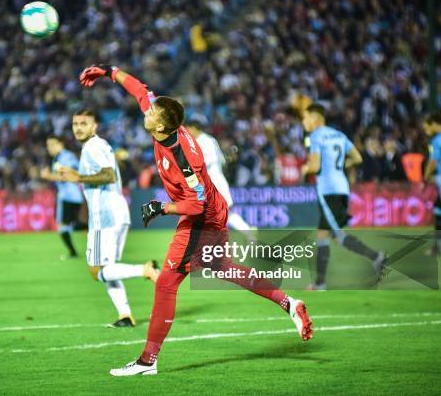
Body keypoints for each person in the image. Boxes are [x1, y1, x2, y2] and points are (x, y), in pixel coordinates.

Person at [79, 64, 313, 376]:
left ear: (162, 127)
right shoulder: (164, 124)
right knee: (225, 268)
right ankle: (289, 303)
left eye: (151, 115)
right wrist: (109, 72)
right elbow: (139, 89)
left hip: (203, 218)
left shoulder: (181, 157)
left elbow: (195, 203)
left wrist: (162, 208)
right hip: (213, 211)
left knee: (166, 284)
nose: (145, 114)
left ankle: (148, 362)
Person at [59, 110, 160, 328]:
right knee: (108, 269)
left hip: (104, 217)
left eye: (84, 123)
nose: (78, 127)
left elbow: (109, 175)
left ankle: (145, 270)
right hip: (116, 213)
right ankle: (125, 315)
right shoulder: (99, 146)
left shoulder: (93, 146)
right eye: (75, 123)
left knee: (97, 271)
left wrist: (79, 177)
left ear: (94, 126)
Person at [301, 104, 387, 290]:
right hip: (342, 188)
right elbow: (357, 158)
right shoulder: (339, 135)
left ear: (316, 118)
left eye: (306, 118)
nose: (304, 122)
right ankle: (320, 283)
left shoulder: (316, 136)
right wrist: (338, 166)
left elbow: (314, 167)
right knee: (324, 234)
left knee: (337, 236)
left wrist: (305, 168)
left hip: (328, 190)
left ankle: (376, 257)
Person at [185, 118, 256, 241]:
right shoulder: (200, 141)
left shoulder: (206, 140)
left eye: (188, 129)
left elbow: (212, 160)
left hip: (216, 183)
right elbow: (222, 160)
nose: (187, 132)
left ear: (194, 128)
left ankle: (247, 234)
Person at [41, 135, 83, 259]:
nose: (49, 147)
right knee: (67, 226)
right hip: (67, 196)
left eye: (52, 144)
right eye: (48, 145)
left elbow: (69, 175)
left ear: (61, 144)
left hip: (70, 196)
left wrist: (49, 176)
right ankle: (74, 252)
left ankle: (73, 253)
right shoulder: (58, 158)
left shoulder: (66, 156)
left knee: (64, 226)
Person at [423, 111, 441, 255]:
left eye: (427, 127)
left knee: (438, 213)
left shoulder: (437, 140)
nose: (426, 131)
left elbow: (433, 163)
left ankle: (437, 246)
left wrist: (425, 177)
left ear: (434, 124)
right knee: (438, 210)